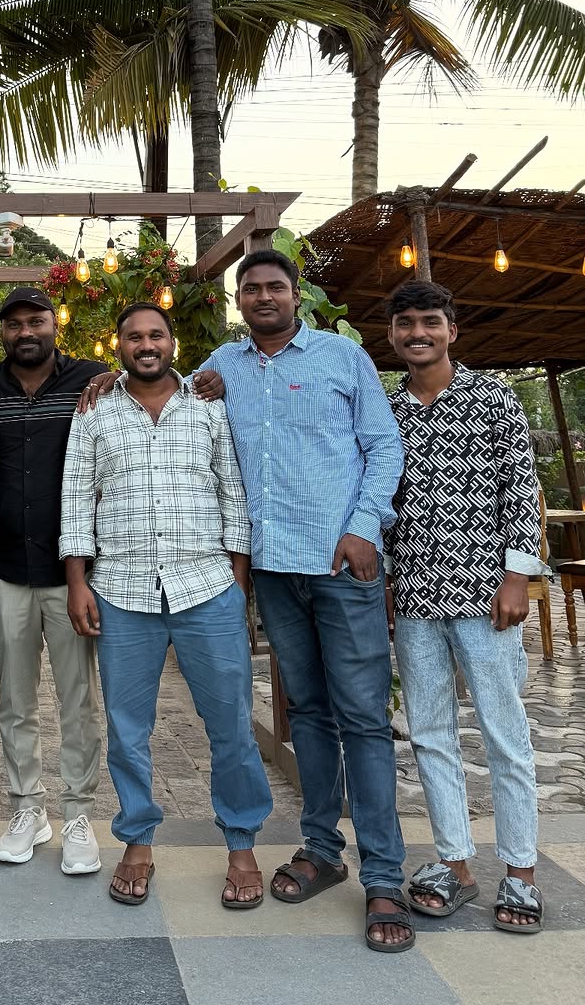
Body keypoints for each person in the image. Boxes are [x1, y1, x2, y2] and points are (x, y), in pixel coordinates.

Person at [197, 250, 412, 952]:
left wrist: (364, 527)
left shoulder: (342, 358)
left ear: (297, 295)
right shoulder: (221, 367)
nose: (263, 297)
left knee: (364, 719)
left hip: (341, 563)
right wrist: (107, 380)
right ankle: (322, 849)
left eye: (275, 287)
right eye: (251, 289)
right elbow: (163, 395)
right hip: (272, 568)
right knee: (310, 713)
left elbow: (383, 448)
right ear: (238, 301)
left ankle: (384, 877)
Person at [60, 303, 272, 908]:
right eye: (134, 336)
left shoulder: (208, 405)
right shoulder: (94, 409)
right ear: (118, 346)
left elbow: (233, 492)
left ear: (172, 342)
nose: (146, 344)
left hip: (206, 588)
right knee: (128, 730)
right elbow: (75, 496)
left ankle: (241, 843)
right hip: (121, 590)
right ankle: (137, 840)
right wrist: (77, 581)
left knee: (230, 725)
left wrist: (236, 582)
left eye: (156, 334)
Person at [384, 280, 545, 934]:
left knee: (505, 735)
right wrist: (387, 582)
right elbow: (384, 503)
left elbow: (522, 487)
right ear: (392, 335)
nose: (417, 333)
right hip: (416, 597)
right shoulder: (389, 411)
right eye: (405, 324)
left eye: (430, 321)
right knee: (430, 734)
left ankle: (521, 873)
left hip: (486, 597)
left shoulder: (494, 396)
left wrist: (517, 576)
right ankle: (455, 864)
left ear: (452, 330)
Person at [0, 287, 107, 874]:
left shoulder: (94, 382)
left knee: (78, 698)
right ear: (2, 332)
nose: (26, 331)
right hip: (4, 565)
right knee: (15, 697)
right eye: (15, 324)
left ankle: (77, 813)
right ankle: (28, 807)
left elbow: (158, 388)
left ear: (55, 324)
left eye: (36, 321)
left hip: (72, 568)